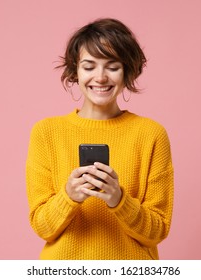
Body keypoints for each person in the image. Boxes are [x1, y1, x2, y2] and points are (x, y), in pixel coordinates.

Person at [26, 18, 174, 260]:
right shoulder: (46, 132)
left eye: (112, 67)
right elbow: (43, 228)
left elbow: (157, 231)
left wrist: (119, 199)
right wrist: (69, 196)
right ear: (75, 70)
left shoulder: (151, 134)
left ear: (128, 70)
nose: (101, 77)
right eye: (89, 66)